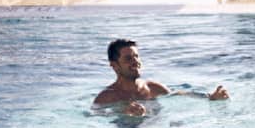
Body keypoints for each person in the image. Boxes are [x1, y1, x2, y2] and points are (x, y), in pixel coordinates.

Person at [93, 38, 228, 116]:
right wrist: (123, 114)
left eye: (136, 56)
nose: (135, 62)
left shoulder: (153, 88)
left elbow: (178, 94)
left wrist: (210, 97)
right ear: (114, 65)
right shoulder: (107, 97)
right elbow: (95, 117)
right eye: (128, 58)